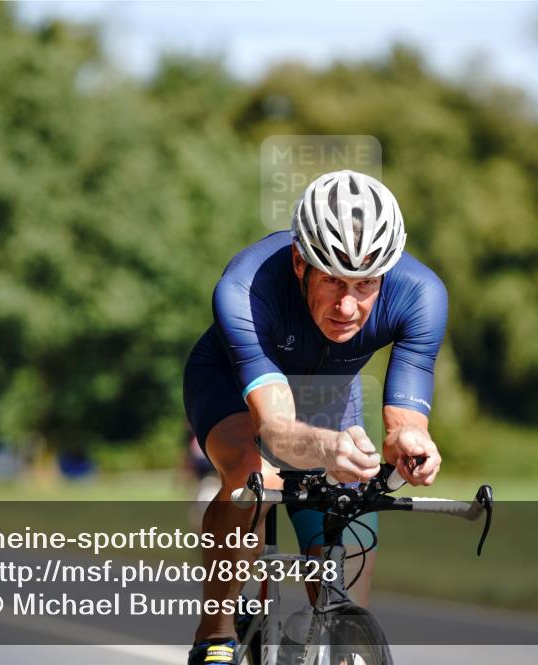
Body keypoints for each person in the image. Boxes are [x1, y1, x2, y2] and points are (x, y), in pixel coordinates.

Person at [182, 170, 448, 664]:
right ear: (300, 261)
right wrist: (326, 449)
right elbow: (275, 427)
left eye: (366, 284)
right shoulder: (245, 285)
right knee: (253, 472)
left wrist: (412, 444)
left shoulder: (421, 295)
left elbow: (405, 419)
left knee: (354, 511)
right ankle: (216, 632)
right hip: (234, 387)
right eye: (332, 280)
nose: (348, 306)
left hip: (328, 396)